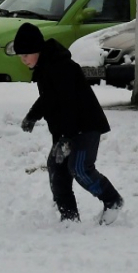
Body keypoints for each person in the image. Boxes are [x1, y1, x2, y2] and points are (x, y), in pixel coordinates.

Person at [15, 22, 124, 225]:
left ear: (37, 49)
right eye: (21, 57)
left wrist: (66, 137)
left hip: (85, 127)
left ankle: (112, 200)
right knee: (57, 168)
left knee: (80, 168)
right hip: (66, 130)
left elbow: (68, 103)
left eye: (25, 55)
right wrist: (33, 115)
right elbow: (49, 98)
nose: (23, 60)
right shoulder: (44, 67)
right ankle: (69, 217)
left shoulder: (61, 67)